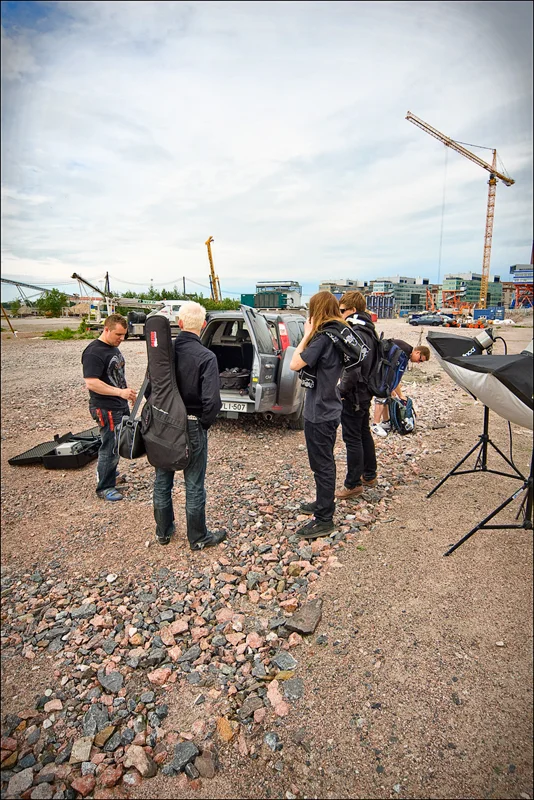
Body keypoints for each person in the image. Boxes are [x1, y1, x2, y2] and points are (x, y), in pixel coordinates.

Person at [151, 301, 226, 551]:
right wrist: (203, 423)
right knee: (193, 484)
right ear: (203, 325)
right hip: (192, 424)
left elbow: (151, 389)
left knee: (163, 479)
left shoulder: (162, 354)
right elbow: (212, 401)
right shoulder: (206, 356)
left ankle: (163, 532)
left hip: (163, 423)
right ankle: (198, 537)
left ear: (179, 323)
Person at [290, 291, 353, 539]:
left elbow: (295, 363)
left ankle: (325, 518)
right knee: (322, 463)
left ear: (316, 311)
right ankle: (322, 503)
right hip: (328, 406)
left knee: (323, 465)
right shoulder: (337, 335)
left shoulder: (323, 339)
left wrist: (306, 334)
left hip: (320, 412)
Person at [82, 313, 137, 501]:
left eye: (124, 335)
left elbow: (116, 376)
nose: (122, 339)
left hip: (118, 404)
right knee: (110, 447)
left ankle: (109, 474)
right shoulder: (93, 352)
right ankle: (104, 487)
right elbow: (91, 383)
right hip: (105, 408)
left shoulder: (112, 348)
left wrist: (127, 393)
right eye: (118, 335)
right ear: (106, 329)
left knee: (118, 443)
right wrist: (120, 393)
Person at [336, 291, 378, 499]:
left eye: (342, 310)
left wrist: (340, 391)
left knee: (352, 438)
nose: (340, 314)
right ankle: (369, 475)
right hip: (365, 392)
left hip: (354, 395)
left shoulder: (355, 332)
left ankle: (352, 484)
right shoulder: (370, 330)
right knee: (363, 433)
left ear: (352, 310)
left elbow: (352, 369)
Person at [371, 342, 430, 437]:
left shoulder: (406, 352)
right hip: (378, 371)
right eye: (420, 360)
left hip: (381, 369)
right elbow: (394, 376)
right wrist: (400, 394)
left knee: (388, 394)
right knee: (382, 394)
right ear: (417, 352)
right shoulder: (403, 353)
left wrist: (395, 390)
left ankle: (386, 421)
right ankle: (375, 424)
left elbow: (395, 378)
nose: (418, 362)